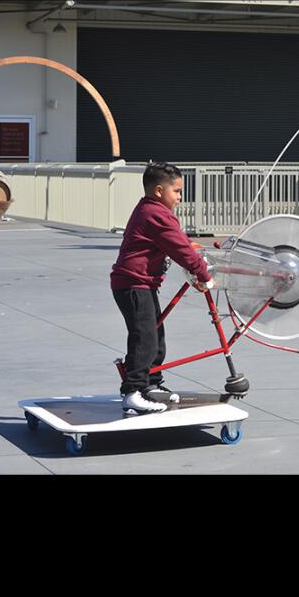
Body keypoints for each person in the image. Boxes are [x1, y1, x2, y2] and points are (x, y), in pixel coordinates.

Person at [109, 162, 215, 414]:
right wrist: (203, 273)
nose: (180, 197)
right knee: (144, 338)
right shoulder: (156, 214)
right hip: (133, 284)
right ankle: (133, 392)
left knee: (156, 337)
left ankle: (151, 383)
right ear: (158, 191)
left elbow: (178, 242)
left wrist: (194, 254)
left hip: (140, 284)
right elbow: (179, 248)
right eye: (176, 191)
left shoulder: (150, 209)